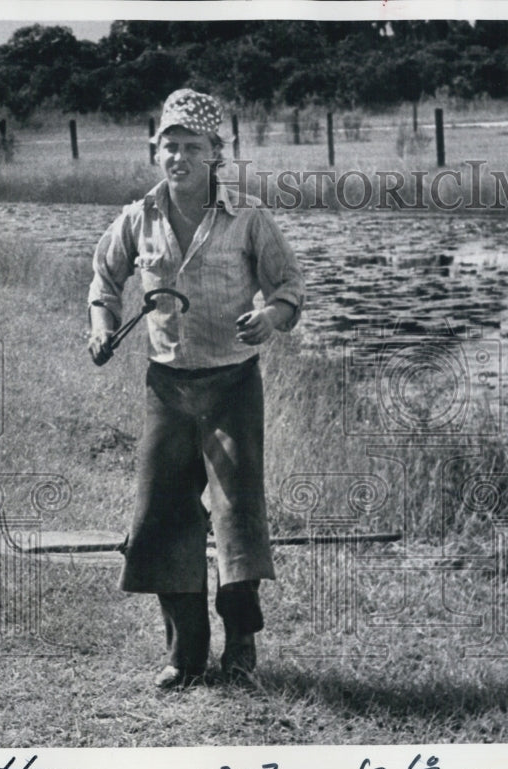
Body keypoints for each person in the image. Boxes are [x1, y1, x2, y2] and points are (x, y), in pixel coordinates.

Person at [87, 88, 305, 688]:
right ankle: (184, 655)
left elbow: (289, 288)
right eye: (169, 147)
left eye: (192, 148)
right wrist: (102, 329)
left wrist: (270, 317)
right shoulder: (138, 217)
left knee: (237, 515)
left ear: (217, 156)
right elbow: (104, 281)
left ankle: (240, 646)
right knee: (160, 515)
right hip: (167, 387)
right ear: (156, 152)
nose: (178, 158)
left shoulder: (250, 219)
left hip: (232, 384)